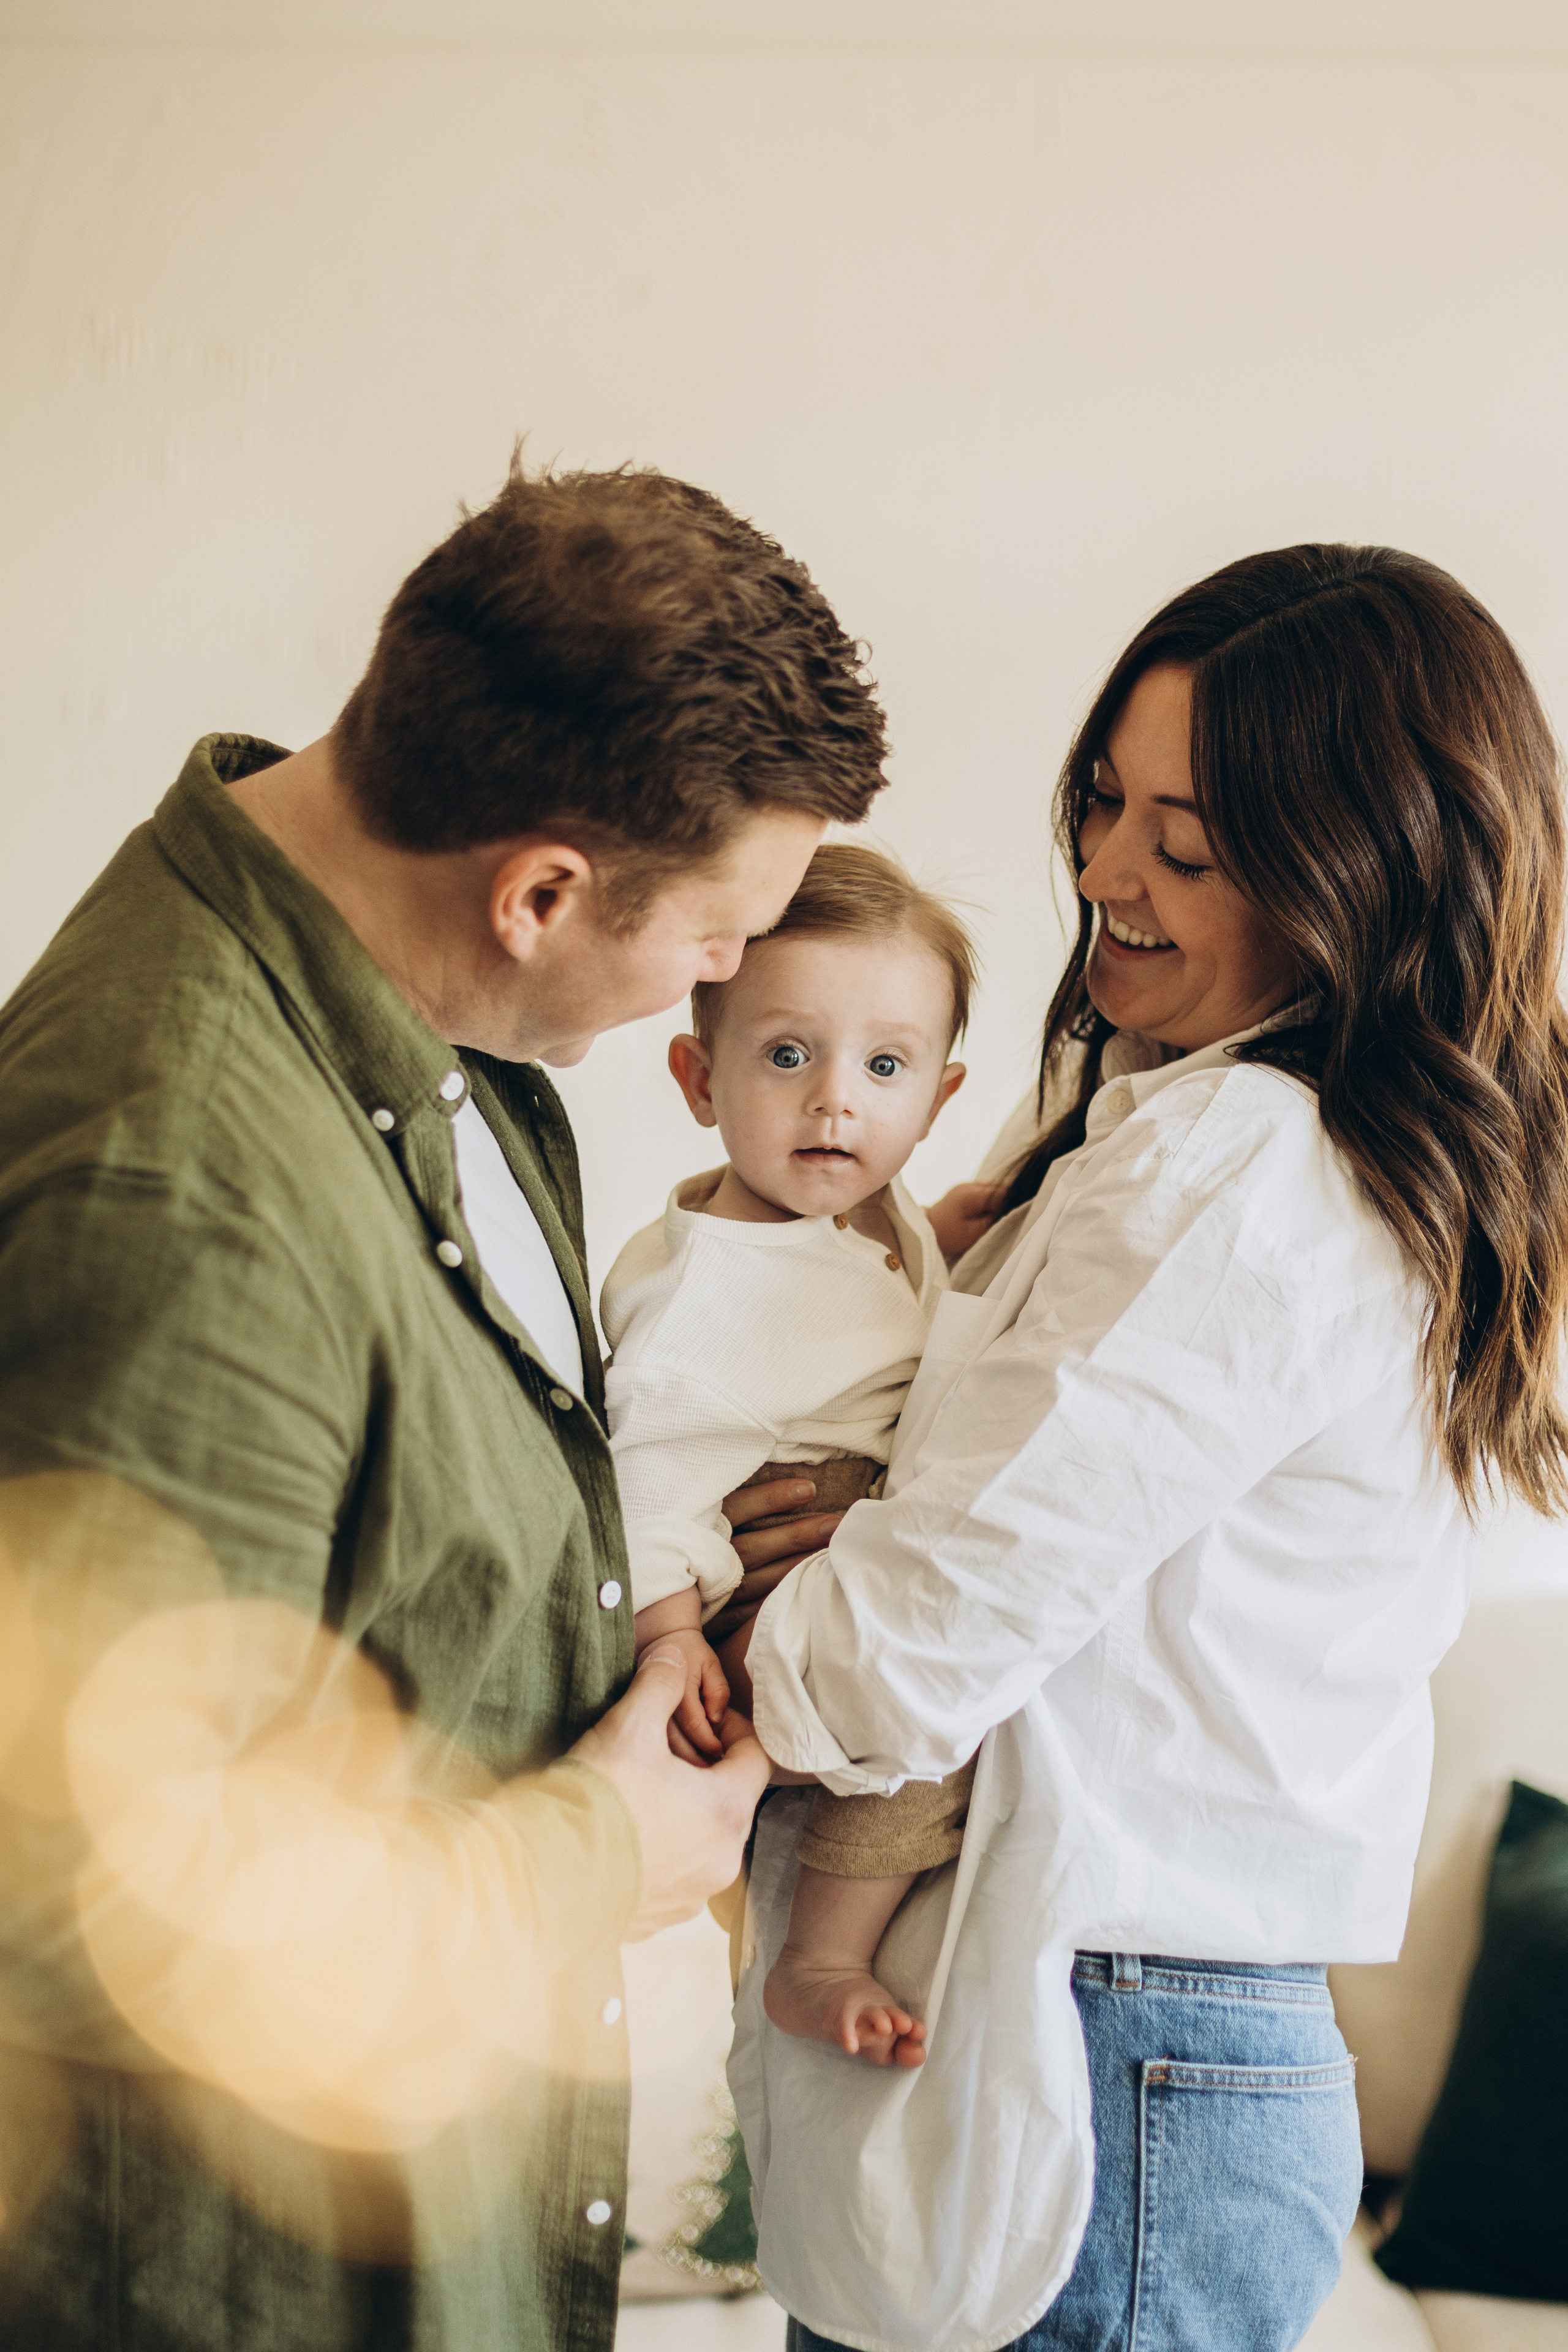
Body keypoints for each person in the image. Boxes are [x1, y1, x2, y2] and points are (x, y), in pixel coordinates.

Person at [0, 459, 889, 2352]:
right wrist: (601, 1853)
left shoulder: (451, 1046)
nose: (729, 975)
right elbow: (73, 1904)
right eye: (721, 934)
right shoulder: (176, 1182)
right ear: (543, 891)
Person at [717, 544, 1568, 2352]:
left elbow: (906, 1648)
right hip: (1133, 2051)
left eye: (1187, 845)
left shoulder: (1237, 1165)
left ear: (1372, 871)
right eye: (1105, 804)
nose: (1106, 875)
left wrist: (721, 1627)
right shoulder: (1173, 1124)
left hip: (1107, 2050)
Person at [600, 843, 973, 2066]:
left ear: (936, 1095)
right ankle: (819, 1953)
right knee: (922, 1734)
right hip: (767, 1583)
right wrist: (665, 1636)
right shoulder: (704, 1292)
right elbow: (642, 1466)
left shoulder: (855, 1204)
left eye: (882, 1066)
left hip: (845, 1531)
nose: (834, 1102)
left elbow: (892, 1273)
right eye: (784, 1056)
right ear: (697, 1078)